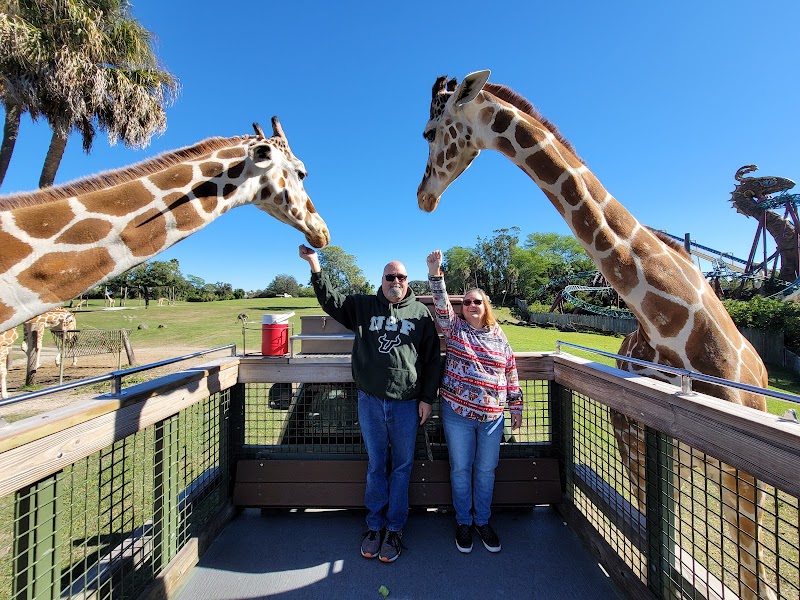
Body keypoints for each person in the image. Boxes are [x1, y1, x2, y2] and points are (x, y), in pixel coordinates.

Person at [298, 244, 440, 563]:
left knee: (402, 467)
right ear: (382, 279)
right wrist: (314, 264)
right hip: (371, 401)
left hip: (407, 404)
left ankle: (395, 528)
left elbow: (432, 361)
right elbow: (331, 302)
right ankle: (374, 526)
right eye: (390, 276)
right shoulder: (363, 306)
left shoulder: (420, 314)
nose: (396, 281)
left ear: (407, 281)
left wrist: (427, 399)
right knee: (377, 465)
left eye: (401, 277)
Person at [426, 249, 522, 554]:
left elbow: (510, 370)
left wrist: (516, 406)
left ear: (486, 306)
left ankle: (483, 521)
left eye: (476, 301)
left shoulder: (499, 335)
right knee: (460, 468)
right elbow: (442, 307)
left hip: (493, 417)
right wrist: (434, 271)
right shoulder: (455, 330)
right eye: (466, 302)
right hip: (458, 414)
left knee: (486, 469)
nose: (470, 305)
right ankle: (464, 522)